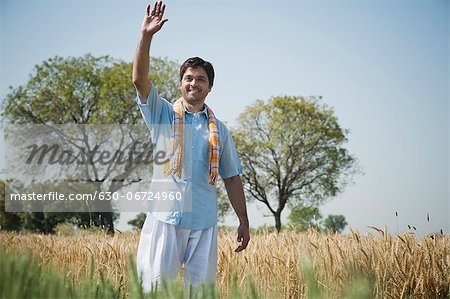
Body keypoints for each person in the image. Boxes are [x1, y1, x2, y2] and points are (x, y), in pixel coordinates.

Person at [132, 0, 250, 292]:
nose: (193, 83)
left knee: (201, 292)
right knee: (155, 290)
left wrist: (244, 221)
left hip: (204, 221)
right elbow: (139, 80)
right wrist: (146, 36)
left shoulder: (219, 130)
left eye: (201, 79)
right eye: (188, 78)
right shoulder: (162, 114)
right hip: (165, 217)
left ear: (209, 87)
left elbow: (232, 177)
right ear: (181, 83)